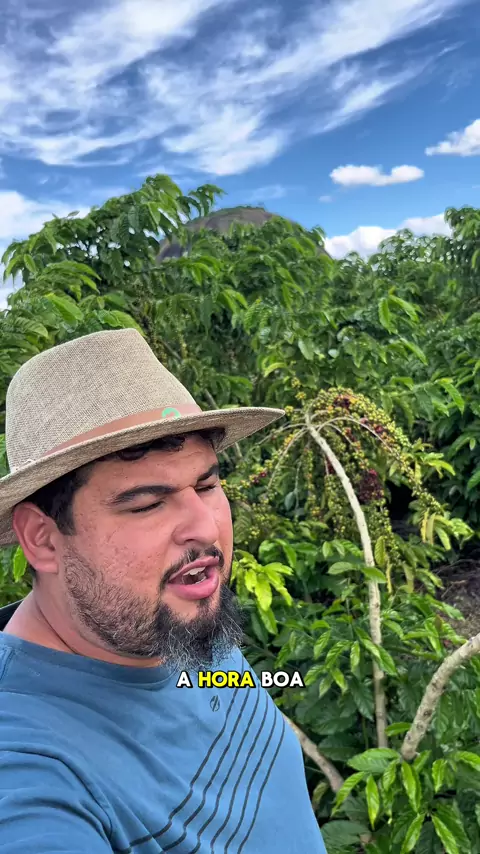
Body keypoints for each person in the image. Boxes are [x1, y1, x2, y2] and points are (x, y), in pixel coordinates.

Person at [0, 329, 327, 853]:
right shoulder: (26, 765)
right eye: (147, 503)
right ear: (42, 538)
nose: (205, 527)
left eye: (207, 485)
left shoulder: (172, 617)